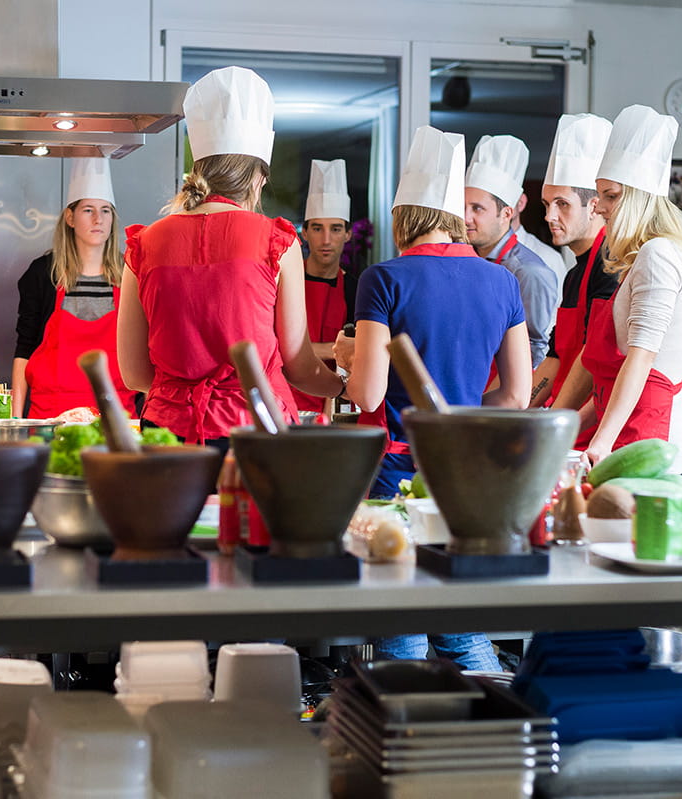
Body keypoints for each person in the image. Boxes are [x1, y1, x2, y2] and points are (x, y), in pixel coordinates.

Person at [334, 126, 528, 670]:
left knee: (401, 631)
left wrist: (349, 359)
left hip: (397, 474)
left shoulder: (383, 278)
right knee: (461, 627)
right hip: (468, 475)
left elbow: (368, 393)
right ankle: (495, 734)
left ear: (403, 218)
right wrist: (459, 416)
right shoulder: (501, 282)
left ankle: (397, 741)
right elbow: (516, 395)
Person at [117, 66, 343, 445]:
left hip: (169, 433)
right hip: (256, 430)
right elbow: (298, 365)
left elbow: (134, 374)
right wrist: (343, 387)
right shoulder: (277, 240)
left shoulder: (144, 243)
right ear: (258, 177)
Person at [553, 105, 682, 478]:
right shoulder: (647, 254)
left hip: (658, 435)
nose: (600, 207)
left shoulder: (657, 255)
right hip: (642, 424)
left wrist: (601, 442)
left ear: (638, 198)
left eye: (610, 196)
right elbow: (614, 374)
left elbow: (641, 360)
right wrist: (571, 427)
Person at [12, 158, 136, 418]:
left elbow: (144, 351)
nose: (98, 219)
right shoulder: (43, 273)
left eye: (105, 210)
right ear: (70, 217)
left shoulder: (131, 274)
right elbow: (24, 349)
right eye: (88, 210)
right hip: (51, 415)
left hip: (116, 415)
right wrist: (14, 419)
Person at [531, 113, 621, 452]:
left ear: (594, 205)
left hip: (593, 434)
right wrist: (517, 412)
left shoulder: (610, 265)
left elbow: (591, 357)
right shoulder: (573, 275)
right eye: (546, 204)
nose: (549, 216)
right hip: (570, 429)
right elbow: (555, 357)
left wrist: (554, 420)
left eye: (562, 204)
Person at [464, 135, 559, 367]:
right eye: (463, 206)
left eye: (477, 209)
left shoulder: (529, 271)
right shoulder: (467, 259)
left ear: (507, 214)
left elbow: (534, 352)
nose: (466, 218)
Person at [292, 158, 356, 414]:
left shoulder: (355, 288)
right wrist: (331, 349)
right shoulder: (284, 282)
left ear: (348, 234)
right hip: (283, 401)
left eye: (336, 229)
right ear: (304, 233)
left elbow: (356, 354)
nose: (326, 240)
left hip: (331, 403)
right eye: (317, 228)